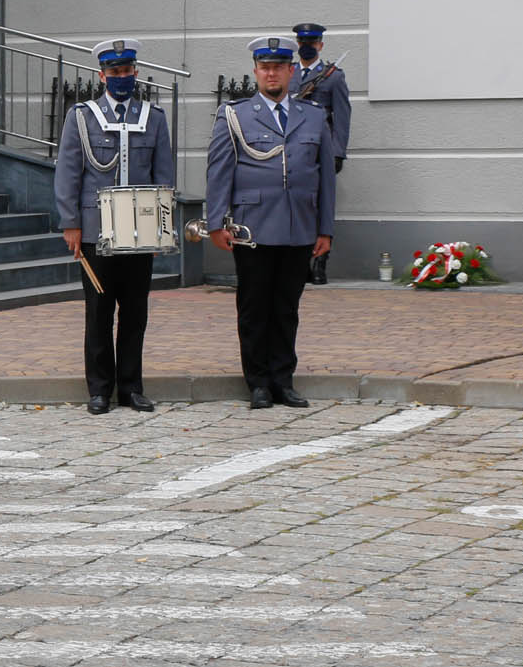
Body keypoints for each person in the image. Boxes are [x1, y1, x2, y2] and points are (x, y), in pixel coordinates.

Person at [205, 36, 335, 410]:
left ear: (291, 71)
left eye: (279, 67)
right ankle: (258, 383)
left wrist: (325, 228)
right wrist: (216, 223)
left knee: (286, 308)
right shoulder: (235, 114)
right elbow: (219, 172)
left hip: (299, 227)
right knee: (254, 307)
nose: (272, 73)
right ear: (256, 72)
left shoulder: (312, 115)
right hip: (253, 227)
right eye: (265, 67)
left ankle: (283, 380)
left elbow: (326, 177)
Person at [53, 38, 174, 416]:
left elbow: (163, 175)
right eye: (114, 72)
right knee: (99, 311)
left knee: (135, 312)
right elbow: (68, 173)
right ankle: (100, 389)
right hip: (95, 229)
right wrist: (70, 223)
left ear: (135, 73)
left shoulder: (153, 118)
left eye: (126, 71)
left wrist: (161, 230)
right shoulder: (81, 116)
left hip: (139, 231)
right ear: (102, 75)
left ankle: (132, 388)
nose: (121, 77)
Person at [292, 22, 349, 285]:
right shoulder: (289, 74)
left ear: (320, 46)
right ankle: (300, 261)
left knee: (322, 202)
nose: (306, 47)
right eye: (302, 43)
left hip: (319, 149)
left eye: (312, 43)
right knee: (297, 202)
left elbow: (342, 118)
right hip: (293, 150)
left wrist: (337, 153)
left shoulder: (333, 76)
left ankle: (320, 263)